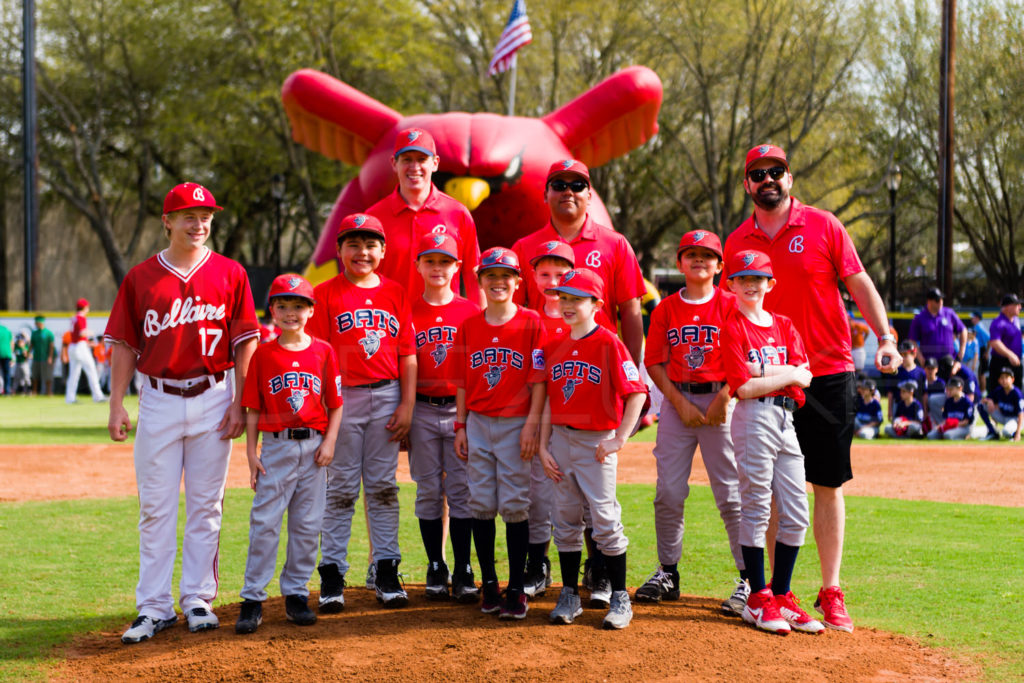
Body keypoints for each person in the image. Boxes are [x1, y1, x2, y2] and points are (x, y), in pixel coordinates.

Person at [722, 144, 899, 633]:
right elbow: (727, 313)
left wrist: (884, 337)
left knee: (827, 483)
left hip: (827, 373)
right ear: (747, 186)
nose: (767, 180)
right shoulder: (736, 241)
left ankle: (831, 589)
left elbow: (860, 283)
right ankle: (776, 593)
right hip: (767, 380)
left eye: (775, 171)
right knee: (774, 490)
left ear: (790, 178)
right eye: (757, 174)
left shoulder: (823, 224)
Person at [106, 182, 259, 644]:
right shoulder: (141, 277)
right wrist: (116, 401)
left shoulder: (231, 273)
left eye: (206, 215)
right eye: (189, 215)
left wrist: (240, 401)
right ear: (167, 221)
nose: (199, 224)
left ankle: (197, 598)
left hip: (215, 394)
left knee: (206, 507)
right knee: (155, 508)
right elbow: (125, 344)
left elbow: (246, 342)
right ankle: (153, 606)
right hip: (158, 398)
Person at [636, 230, 749, 616]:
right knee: (668, 492)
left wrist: (724, 395)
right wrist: (679, 403)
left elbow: (746, 355)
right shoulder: (666, 309)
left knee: (731, 494)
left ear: (720, 266)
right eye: (691, 254)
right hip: (676, 403)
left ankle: (749, 579)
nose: (699, 260)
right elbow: (653, 362)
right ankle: (668, 571)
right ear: (681, 262)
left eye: (707, 255)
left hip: (723, 400)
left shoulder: (731, 305)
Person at [307, 213, 416, 611]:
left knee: (383, 487)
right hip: (343, 400)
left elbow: (407, 353)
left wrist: (406, 402)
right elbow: (315, 357)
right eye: (353, 244)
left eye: (370, 245)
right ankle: (332, 574)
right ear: (339, 251)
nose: (362, 252)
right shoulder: (325, 294)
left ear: (383, 251)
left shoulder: (396, 293)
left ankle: (386, 569)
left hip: (386, 397)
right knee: (340, 489)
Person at [535, 268, 648, 629]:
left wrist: (620, 438)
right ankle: (569, 593)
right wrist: (542, 446)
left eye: (576, 299)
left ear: (597, 304)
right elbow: (551, 400)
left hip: (595, 442)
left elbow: (637, 393)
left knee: (605, 520)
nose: (567, 305)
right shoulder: (554, 344)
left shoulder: (609, 342)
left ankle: (619, 596)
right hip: (560, 441)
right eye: (563, 298)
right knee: (565, 520)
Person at [720, 249, 823, 636]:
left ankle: (781, 595)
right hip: (754, 418)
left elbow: (808, 376)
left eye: (757, 277)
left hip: (785, 419)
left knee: (797, 511)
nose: (750, 284)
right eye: (742, 278)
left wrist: (768, 370)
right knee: (757, 506)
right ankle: (758, 596)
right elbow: (743, 387)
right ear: (731, 285)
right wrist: (789, 373)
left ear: (770, 284)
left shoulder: (783, 324)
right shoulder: (733, 327)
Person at [235, 274, 344, 634]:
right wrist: (251, 454)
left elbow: (336, 404)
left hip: (314, 447)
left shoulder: (323, 351)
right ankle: (253, 598)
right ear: (272, 311)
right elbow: (251, 408)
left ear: (311, 310)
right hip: (277, 447)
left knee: (307, 525)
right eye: (283, 305)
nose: (291, 312)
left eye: (299, 305)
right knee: (264, 523)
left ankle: (296, 594)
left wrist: (329, 442)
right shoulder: (264, 355)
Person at [453, 247, 546, 620]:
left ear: (518, 282)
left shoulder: (531, 322)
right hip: (477, 422)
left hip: (514, 425)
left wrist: (531, 425)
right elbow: (462, 382)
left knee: (514, 505)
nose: (498, 282)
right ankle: (489, 583)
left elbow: (539, 380)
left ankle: (516, 587)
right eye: (490, 275)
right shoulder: (470, 326)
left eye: (506, 275)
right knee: (480, 503)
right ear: (480, 282)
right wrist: (460, 426)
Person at [511, 159, 646, 365]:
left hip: (600, 366)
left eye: (577, 186)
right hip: (543, 370)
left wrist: (631, 371)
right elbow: (513, 314)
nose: (568, 192)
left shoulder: (615, 244)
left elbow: (631, 312)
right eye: (559, 186)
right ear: (545, 195)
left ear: (589, 196)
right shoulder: (523, 248)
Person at [408, 232, 481, 602]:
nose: (438, 268)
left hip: (459, 410)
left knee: (462, 491)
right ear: (418, 264)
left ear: (458, 267)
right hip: (420, 408)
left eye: (445, 261)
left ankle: (464, 567)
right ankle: (436, 564)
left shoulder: (470, 311)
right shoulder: (407, 310)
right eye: (430, 260)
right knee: (428, 491)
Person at [365, 127, 482, 304]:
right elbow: (363, 277)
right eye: (407, 160)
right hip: (390, 323)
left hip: (444, 326)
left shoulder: (457, 213)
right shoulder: (374, 217)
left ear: (435, 163)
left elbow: (473, 274)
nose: (414, 167)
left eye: (422, 159)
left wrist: (482, 324)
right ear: (394, 163)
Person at [521, 240, 576, 598]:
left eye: (561, 273)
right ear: (533, 276)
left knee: (580, 498)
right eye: (545, 273)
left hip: (575, 422)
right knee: (537, 497)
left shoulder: (586, 318)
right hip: (535, 420)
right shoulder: (527, 319)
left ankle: (594, 568)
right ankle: (538, 564)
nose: (553, 280)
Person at [908, 288, 966, 372]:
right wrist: (921, 360)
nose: (941, 302)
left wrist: (960, 355)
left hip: (948, 363)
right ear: (929, 301)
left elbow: (963, 330)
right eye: (937, 300)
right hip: (929, 365)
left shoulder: (949, 313)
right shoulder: (919, 318)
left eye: (941, 299)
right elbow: (912, 340)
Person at [65, 298, 107, 403]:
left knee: (74, 373)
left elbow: (76, 334)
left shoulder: (74, 318)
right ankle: (98, 396)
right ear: (84, 308)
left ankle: (70, 398)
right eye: (87, 307)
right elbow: (82, 333)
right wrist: (92, 333)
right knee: (91, 369)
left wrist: (87, 342)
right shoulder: (81, 318)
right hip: (80, 347)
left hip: (73, 346)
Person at [987, 293, 1022, 392]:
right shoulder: (998, 322)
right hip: (1001, 362)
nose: (1020, 307)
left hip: (1015, 362)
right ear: (1008, 307)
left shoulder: (1016, 320)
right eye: (1016, 305)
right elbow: (995, 342)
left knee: (1016, 393)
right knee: (998, 394)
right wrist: (1010, 355)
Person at [983, 367, 1024, 441]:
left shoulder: (1017, 393)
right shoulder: (999, 390)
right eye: (1002, 378)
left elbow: (1021, 414)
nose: (1004, 380)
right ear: (999, 380)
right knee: (982, 406)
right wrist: (989, 401)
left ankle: (1015, 435)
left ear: (1012, 379)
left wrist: (1018, 433)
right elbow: (983, 400)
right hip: (1003, 416)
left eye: (1006, 377)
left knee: (1006, 432)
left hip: (1015, 419)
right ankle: (992, 432)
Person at [927, 376, 973, 440]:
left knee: (947, 435)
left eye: (951, 389)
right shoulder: (949, 401)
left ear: (960, 388)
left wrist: (952, 425)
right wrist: (941, 426)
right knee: (931, 436)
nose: (948, 391)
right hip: (950, 427)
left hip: (963, 428)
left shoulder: (967, 402)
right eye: (948, 389)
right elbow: (946, 419)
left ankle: (964, 437)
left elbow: (966, 422)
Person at [30, 315, 56, 396]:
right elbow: (31, 344)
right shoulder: (34, 333)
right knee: (35, 375)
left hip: (46, 357)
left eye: (38, 322)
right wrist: (28, 353)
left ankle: (49, 392)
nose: (36, 324)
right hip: (36, 357)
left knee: (48, 375)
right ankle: (34, 391)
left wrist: (50, 357)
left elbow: (51, 346)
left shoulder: (48, 333)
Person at [969, 310, 990, 393]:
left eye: (973, 317)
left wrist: (986, 352)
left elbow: (989, 339)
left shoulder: (979, 327)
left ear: (977, 318)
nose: (971, 319)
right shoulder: (976, 327)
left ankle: (983, 392)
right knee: (979, 372)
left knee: (981, 373)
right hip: (979, 351)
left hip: (981, 351)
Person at [922, 358, 946, 429]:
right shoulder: (922, 382)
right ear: (924, 369)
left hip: (937, 411)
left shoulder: (940, 383)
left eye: (932, 368)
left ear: (936, 369)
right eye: (928, 368)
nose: (930, 371)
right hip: (924, 411)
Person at [0, 322, 12, 395]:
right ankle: (7, 391)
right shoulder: (7, 331)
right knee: (7, 374)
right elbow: (12, 343)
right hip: (7, 354)